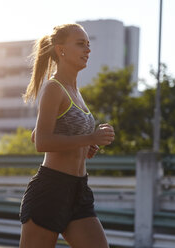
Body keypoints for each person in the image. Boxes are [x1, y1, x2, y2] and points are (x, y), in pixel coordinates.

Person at [19, 23, 115, 248]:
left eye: (88, 45)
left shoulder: (75, 92)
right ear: (61, 50)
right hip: (51, 190)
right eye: (81, 44)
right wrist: (89, 139)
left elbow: (36, 133)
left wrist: (84, 147)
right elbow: (41, 142)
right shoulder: (54, 88)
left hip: (78, 191)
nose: (88, 50)